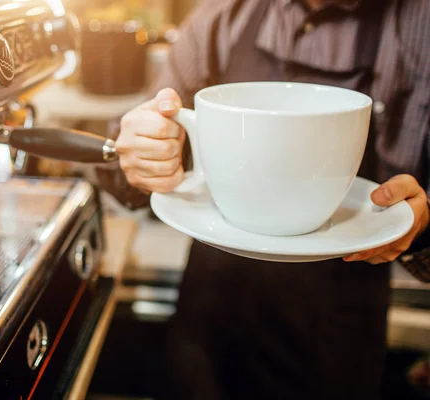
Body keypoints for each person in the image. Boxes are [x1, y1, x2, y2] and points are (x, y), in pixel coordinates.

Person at [96, 0, 430, 398]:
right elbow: (136, 143)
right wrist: (140, 151)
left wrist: (421, 226)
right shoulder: (225, 14)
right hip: (208, 323)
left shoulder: (419, 24)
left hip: (335, 333)